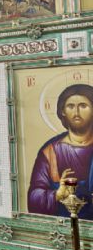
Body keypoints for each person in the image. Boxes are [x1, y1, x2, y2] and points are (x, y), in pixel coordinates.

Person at [28, 84, 93, 220]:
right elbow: (34, 196)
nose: (76, 112)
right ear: (62, 111)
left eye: (83, 106)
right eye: (70, 106)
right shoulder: (50, 151)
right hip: (63, 223)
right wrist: (57, 194)